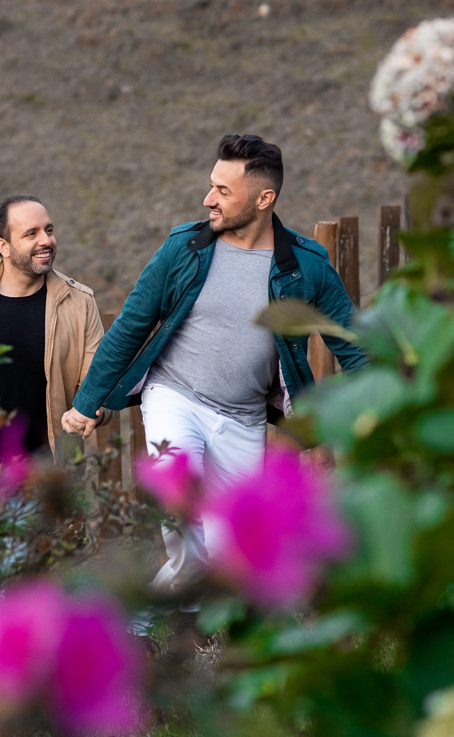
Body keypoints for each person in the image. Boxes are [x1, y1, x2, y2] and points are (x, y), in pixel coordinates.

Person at [60, 134, 367, 613]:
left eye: (223, 191)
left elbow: (354, 350)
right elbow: (132, 324)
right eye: (211, 186)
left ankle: (149, 620)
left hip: (242, 417)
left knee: (230, 554)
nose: (209, 199)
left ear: (264, 198)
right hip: (174, 397)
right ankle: (148, 634)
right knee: (182, 519)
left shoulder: (305, 267)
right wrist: (86, 401)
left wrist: (369, 415)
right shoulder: (185, 248)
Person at [0, 194, 110, 471]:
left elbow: (98, 383)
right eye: (31, 233)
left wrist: (95, 411)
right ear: (3, 246)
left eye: (48, 230)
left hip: (43, 473)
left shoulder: (80, 303)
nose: (46, 240)